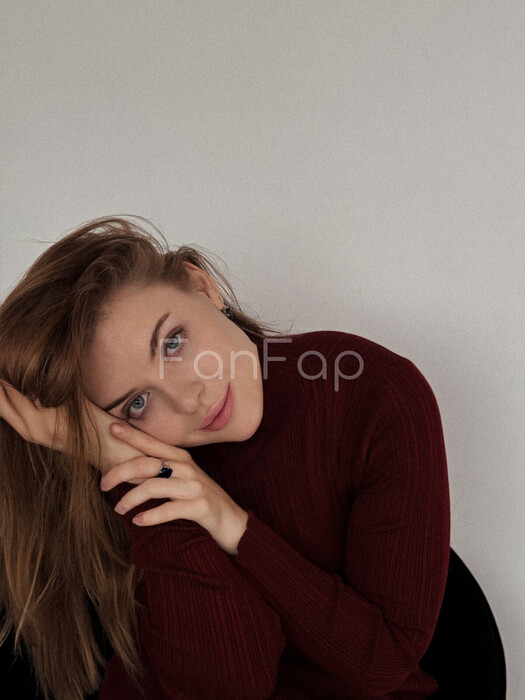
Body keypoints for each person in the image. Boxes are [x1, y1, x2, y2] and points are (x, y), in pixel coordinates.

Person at [0, 215, 451, 700]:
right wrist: (140, 472)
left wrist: (233, 525)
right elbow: (228, 685)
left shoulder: (373, 396)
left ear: (202, 287)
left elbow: (384, 660)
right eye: (138, 402)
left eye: (173, 343)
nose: (187, 399)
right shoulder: (130, 459)